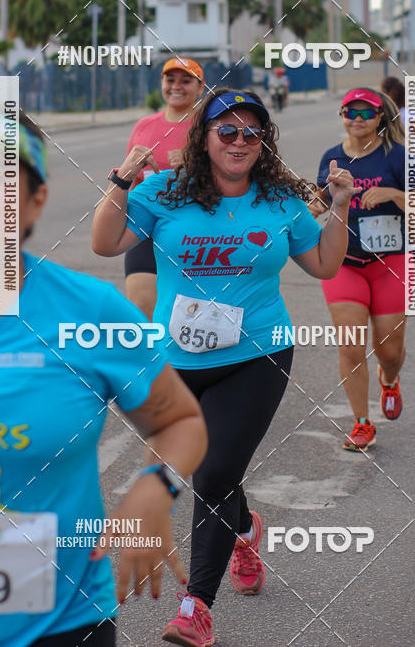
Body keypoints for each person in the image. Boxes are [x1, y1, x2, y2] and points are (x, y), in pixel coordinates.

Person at [0, 97, 207, 647]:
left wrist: (154, 488)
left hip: (60, 626)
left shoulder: (91, 311)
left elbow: (180, 419)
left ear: (35, 200)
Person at [91, 87, 359, 647]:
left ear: (263, 141)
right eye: (227, 131)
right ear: (204, 136)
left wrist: (337, 207)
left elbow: (325, 263)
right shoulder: (165, 190)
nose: (239, 141)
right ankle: (244, 528)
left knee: (212, 473)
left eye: (250, 132)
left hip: (256, 355)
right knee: (210, 474)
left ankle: (197, 609)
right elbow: (105, 242)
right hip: (177, 360)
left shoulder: (281, 199)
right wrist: (122, 181)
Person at [311, 88, 410, 453]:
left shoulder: (397, 157)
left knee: (388, 348)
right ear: (341, 114)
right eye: (350, 111)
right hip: (345, 263)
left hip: (390, 263)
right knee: (351, 345)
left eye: (366, 112)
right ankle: (362, 423)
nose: (358, 117)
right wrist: (314, 207)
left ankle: (390, 378)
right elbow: (322, 197)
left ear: (381, 117)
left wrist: (393, 195)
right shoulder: (332, 158)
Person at [124, 57, 205, 319]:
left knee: (185, 318)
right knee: (141, 309)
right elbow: (130, 181)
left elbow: (231, 179)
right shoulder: (144, 125)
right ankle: (152, 361)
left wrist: (195, 166)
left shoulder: (209, 128)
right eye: (170, 79)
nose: (176, 86)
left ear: (200, 87)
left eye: (185, 80)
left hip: (196, 232)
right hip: (146, 227)